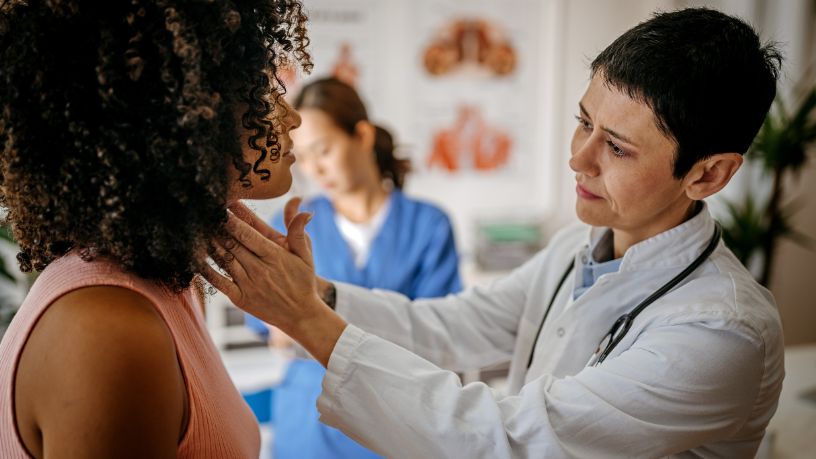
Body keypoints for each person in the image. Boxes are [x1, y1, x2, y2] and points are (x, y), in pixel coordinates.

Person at [206, 7, 785, 458]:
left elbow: (512, 442)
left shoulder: (722, 333)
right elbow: (451, 326)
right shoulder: (575, 249)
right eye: (583, 123)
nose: (578, 161)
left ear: (708, 174)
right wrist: (319, 296)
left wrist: (309, 321)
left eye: (616, 147)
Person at [0, 1, 309, 457]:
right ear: (183, 119)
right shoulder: (107, 329)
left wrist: (306, 308)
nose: (290, 117)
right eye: (263, 93)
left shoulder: (162, 283)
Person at [245, 77, 462, 459]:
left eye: (324, 150)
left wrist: (312, 322)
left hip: (394, 416)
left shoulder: (428, 224)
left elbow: (438, 333)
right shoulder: (293, 222)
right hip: (307, 420)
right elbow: (269, 325)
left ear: (361, 136)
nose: (314, 169)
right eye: (303, 156)